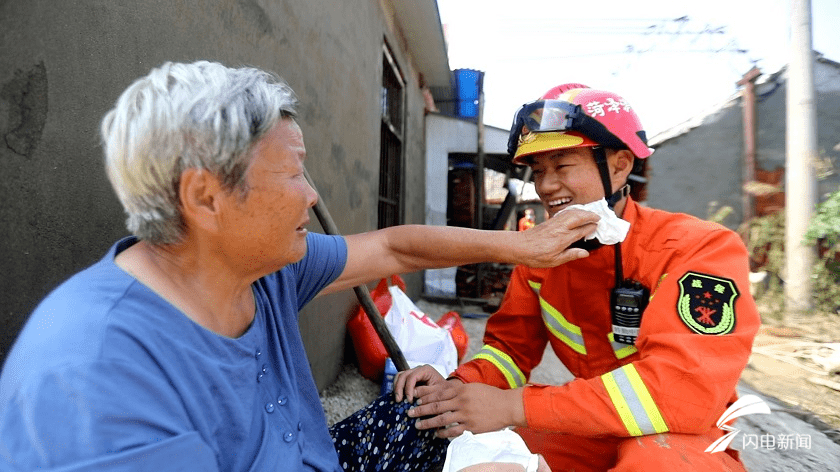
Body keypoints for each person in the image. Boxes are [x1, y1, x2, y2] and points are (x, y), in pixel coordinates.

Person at [0, 62, 600, 471]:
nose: (311, 196)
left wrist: (524, 248)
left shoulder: (260, 266)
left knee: (428, 410)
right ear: (205, 197)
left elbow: (395, 248)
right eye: (291, 174)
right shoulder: (96, 376)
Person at [395, 84, 761, 471]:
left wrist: (512, 406)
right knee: (458, 441)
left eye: (562, 166)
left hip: (679, 433)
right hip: (590, 423)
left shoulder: (700, 248)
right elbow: (509, 351)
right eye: (538, 172)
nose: (547, 186)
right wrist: (458, 387)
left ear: (620, 166)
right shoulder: (539, 257)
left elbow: (682, 392)